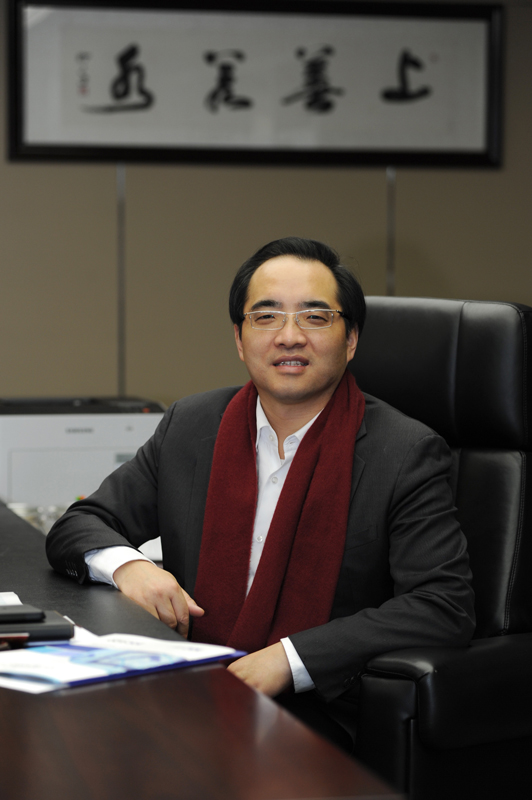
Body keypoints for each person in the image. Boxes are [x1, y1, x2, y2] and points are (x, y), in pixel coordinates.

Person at [46, 237, 475, 752]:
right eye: (266, 317)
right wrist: (129, 567)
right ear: (239, 337)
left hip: (320, 709)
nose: (289, 337)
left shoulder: (404, 452)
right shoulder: (192, 425)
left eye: (315, 317)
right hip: (188, 683)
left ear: (351, 339)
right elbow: (81, 523)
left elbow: (441, 604)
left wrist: (289, 659)